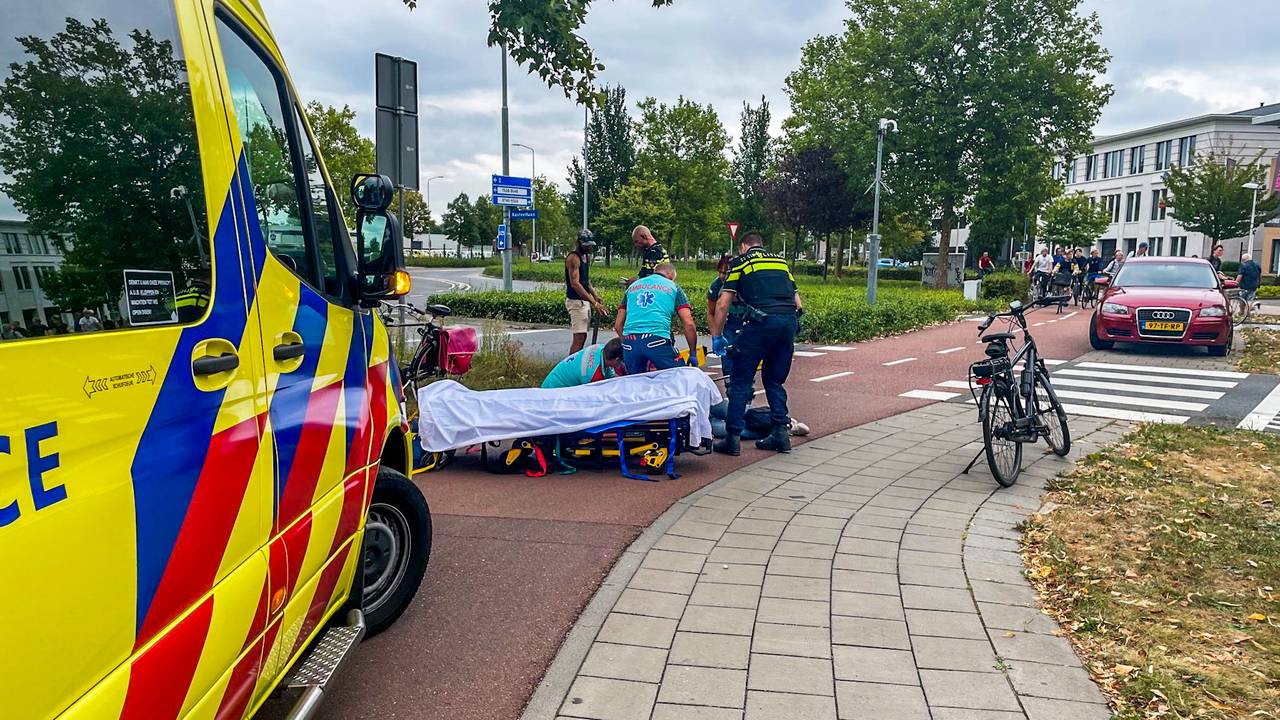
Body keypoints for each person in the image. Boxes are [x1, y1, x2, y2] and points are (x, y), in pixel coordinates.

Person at [710, 232, 801, 456]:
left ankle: (732, 439)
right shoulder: (781, 262)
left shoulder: (741, 263)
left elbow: (722, 303)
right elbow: (798, 302)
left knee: (741, 381)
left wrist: (717, 335)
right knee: (774, 380)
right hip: (788, 323)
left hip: (760, 323)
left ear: (743, 247)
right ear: (762, 245)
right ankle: (780, 433)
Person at [613, 262, 699, 375]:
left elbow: (618, 325)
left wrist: (629, 344)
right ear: (671, 276)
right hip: (657, 340)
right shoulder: (674, 287)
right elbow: (688, 323)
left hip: (630, 341)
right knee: (679, 376)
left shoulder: (632, 287)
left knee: (635, 384)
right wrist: (693, 352)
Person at [564, 230, 609, 354]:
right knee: (579, 338)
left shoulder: (585, 257)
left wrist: (595, 295)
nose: (589, 247)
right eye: (586, 245)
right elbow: (575, 284)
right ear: (579, 243)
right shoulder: (574, 258)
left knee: (583, 337)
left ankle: (576, 364)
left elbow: (585, 280)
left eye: (590, 245)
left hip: (584, 301)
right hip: (576, 301)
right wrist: (594, 303)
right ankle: (571, 367)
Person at [541, 338, 627, 389]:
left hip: (551, 383)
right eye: (622, 361)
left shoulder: (600, 348)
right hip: (553, 393)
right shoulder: (593, 375)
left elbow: (612, 378)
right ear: (616, 360)